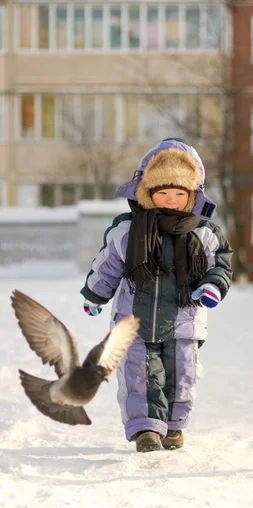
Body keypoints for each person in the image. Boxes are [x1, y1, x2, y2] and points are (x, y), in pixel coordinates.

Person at [80, 138, 233, 452]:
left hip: (184, 320)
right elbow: (107, 265)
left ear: (192, 196)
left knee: (183, 375)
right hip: (133, 321)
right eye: (163, 193)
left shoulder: (204, 232)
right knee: (139, 375)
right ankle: (146, 429)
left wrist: (212, 285)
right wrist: (95, 295)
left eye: (179, 194)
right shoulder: (127, 230)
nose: (171, 200)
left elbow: (221, 264)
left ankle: (174, 426)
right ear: (146, 194)